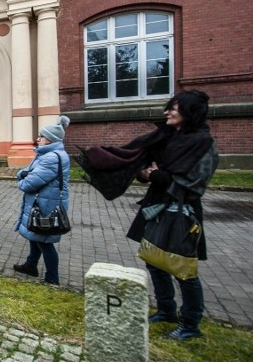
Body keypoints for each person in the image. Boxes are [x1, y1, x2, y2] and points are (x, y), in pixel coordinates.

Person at [79, 90, 218, 340]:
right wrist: (147, 174)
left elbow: (195, 183)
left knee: (184, 269)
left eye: (173, 108)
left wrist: (157, 176)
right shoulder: (167, 138)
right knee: (154, 261)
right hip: (157, 207)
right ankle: (166, 310)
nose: (167, 112)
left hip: (181, 213)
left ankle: (191, 324)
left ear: (189, 112)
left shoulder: (203, 144)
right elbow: (151, 170)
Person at [12, 116, 71, 285]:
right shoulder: (46, 154)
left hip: (47, 205)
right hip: (44, 201)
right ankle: (31, 265)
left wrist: (21, 180)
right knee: (35, 235)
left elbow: (30, 182)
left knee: (44, 241)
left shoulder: (51, 157)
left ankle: (53, 278)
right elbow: (27, 171)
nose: (37, 139)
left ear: (50, 139)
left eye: (41, 136)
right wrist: (23, 174)